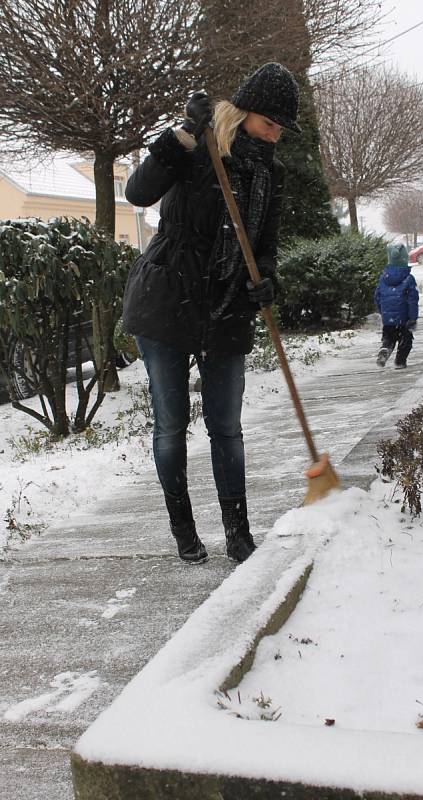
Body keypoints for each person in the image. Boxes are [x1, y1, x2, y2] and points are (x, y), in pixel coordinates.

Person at [122, 63, 300, 565]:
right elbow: (137, 193)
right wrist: (179, 135)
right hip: (166, 303)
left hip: (226, 308)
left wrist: (265, 280)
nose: (276, 134)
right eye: (270, 123)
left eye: (281, 127)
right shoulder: (199, 147)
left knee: (226, 426)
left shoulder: (270, 171)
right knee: (170, 424)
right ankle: (183, 528)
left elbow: (264, 244)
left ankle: (238, 532)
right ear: (243, 114)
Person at [374, 243, 419, 370]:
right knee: (406, 341)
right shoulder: (409, 279)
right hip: (404, 318)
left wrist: (383, 312)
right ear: (405, 259)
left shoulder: (383, 278)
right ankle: (400, 361)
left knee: (389, 338)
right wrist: (413, 318)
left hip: (388, 318)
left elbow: (377, 296)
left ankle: (385, 349)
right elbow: (413, 299)